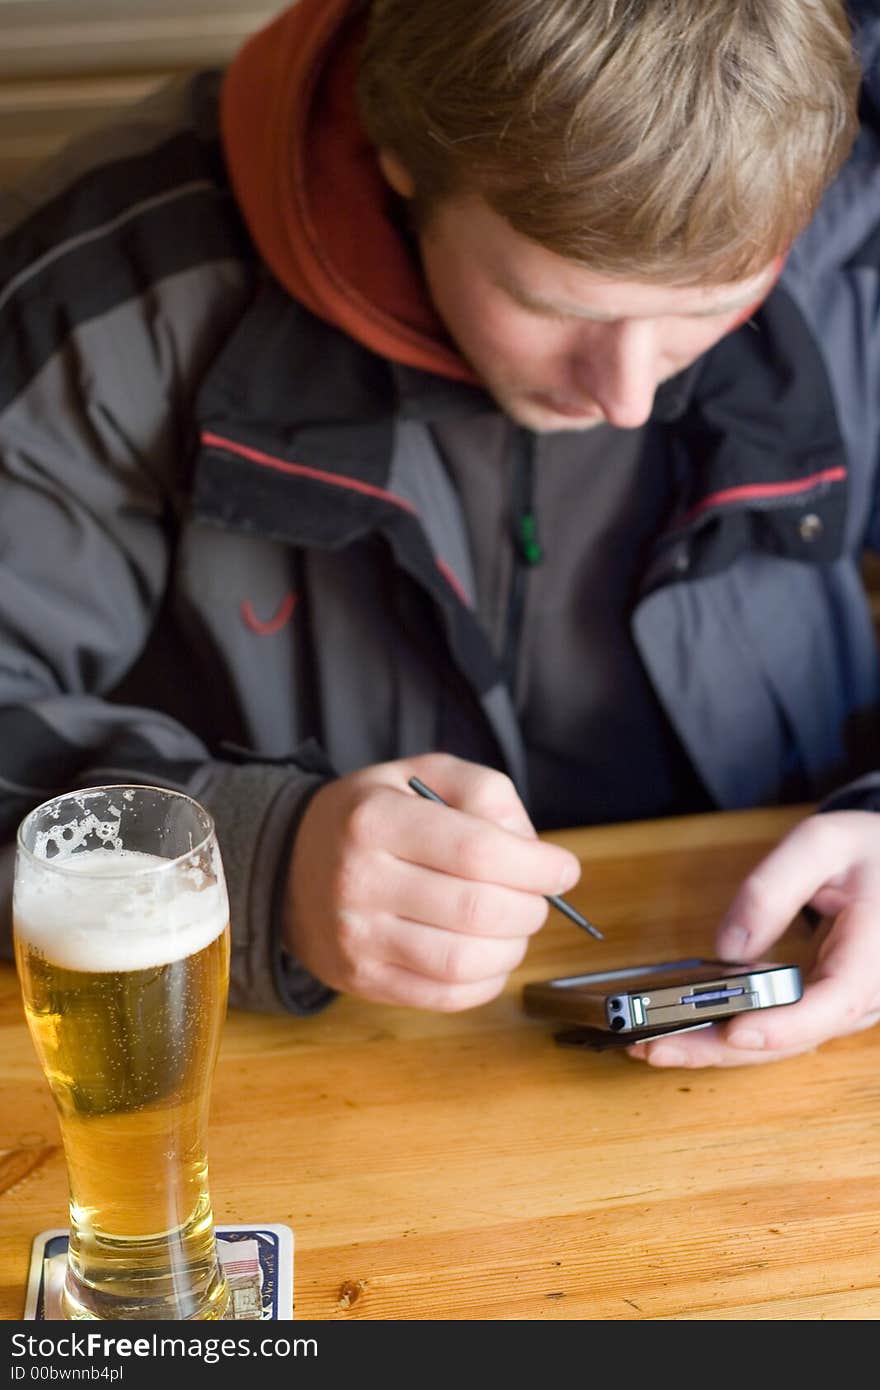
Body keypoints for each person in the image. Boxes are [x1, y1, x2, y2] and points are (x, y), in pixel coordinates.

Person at [2, 0, 879, 1069]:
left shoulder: (861, 233)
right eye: (552, 304)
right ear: (401, 161)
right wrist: (260, 859)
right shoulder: (102, 299)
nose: (627, 397)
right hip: (310, 1075)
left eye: (715, 306)